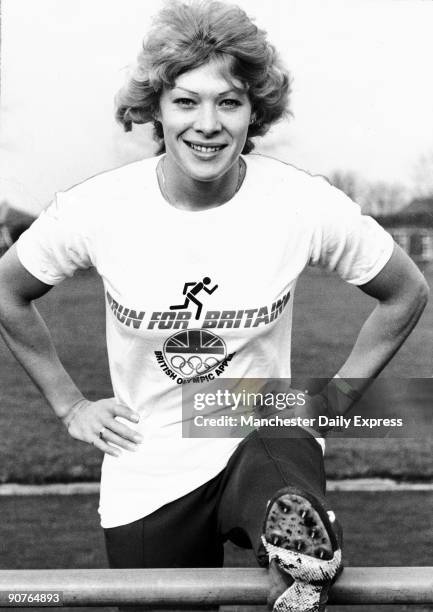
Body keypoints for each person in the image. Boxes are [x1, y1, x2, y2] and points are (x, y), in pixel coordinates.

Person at [0, 1, 428, 611]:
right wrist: (69, 404)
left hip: (262, 437)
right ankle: (298, 567)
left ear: (254, 111)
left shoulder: (300, 204)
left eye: (228, 102)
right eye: (186, 101)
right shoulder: (98, 210)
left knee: (281, 448)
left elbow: (406, 291)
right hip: (148, 463)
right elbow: (7, 290)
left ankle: (300, 553)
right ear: (156, 110)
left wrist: (333, 402)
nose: (208, 124)